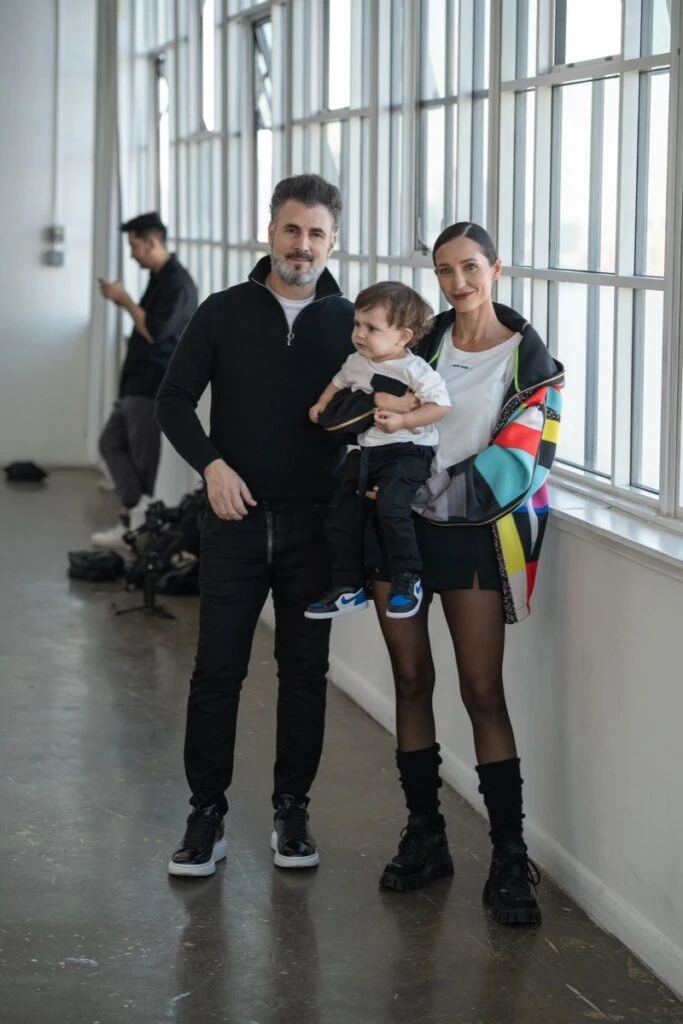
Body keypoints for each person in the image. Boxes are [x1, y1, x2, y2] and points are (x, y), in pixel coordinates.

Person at [155, 174, 355, 878]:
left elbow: (415, 384)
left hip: (315, 528)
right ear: (268, 231)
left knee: (304, 674)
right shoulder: (223, 311)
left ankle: (291, 811)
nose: (303, 245)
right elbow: (174, 400)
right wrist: (210, 466)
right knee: (217, 672)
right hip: (233, 523)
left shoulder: (353, 324)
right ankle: (204, 816)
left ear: (334, 243)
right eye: (292, 229)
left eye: (317, 234)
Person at [369, 222, 564, 926]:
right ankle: (425, 834)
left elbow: (520, 465)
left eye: (470, 268)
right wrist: (380, 485)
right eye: (445, 271)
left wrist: (415, 488)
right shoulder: (422, 345)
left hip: (473, 537)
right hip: (399, 533)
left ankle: (509, 856)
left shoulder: (533, 364)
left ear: (495, 269)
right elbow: (371, 416)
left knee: (482, 690)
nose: (457, 283)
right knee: (411, 680)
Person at [305, 282, 450, 621]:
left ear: (402, 336)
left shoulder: (414, 370)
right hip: (367, 452)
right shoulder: (357, 361)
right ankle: (348, 587)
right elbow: (339, 381)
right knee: (340, 515)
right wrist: (323, 403)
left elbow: (441, 406)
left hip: (408, 451)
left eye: (372, 328)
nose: (359, 334)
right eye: (357, 324)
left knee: (391, 508)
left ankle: (407, 579)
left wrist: (404, 420)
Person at [91, 213, 198, 549]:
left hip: (153, 383)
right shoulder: (158, 277)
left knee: (141, 458)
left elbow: (154, 332)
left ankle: (138, 529)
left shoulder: (178, 284)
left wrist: (124, 301)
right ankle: (136, 515)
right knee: (110, 444)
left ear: (153, 242)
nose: (133, 253)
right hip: (136, 381)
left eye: (135, 246)